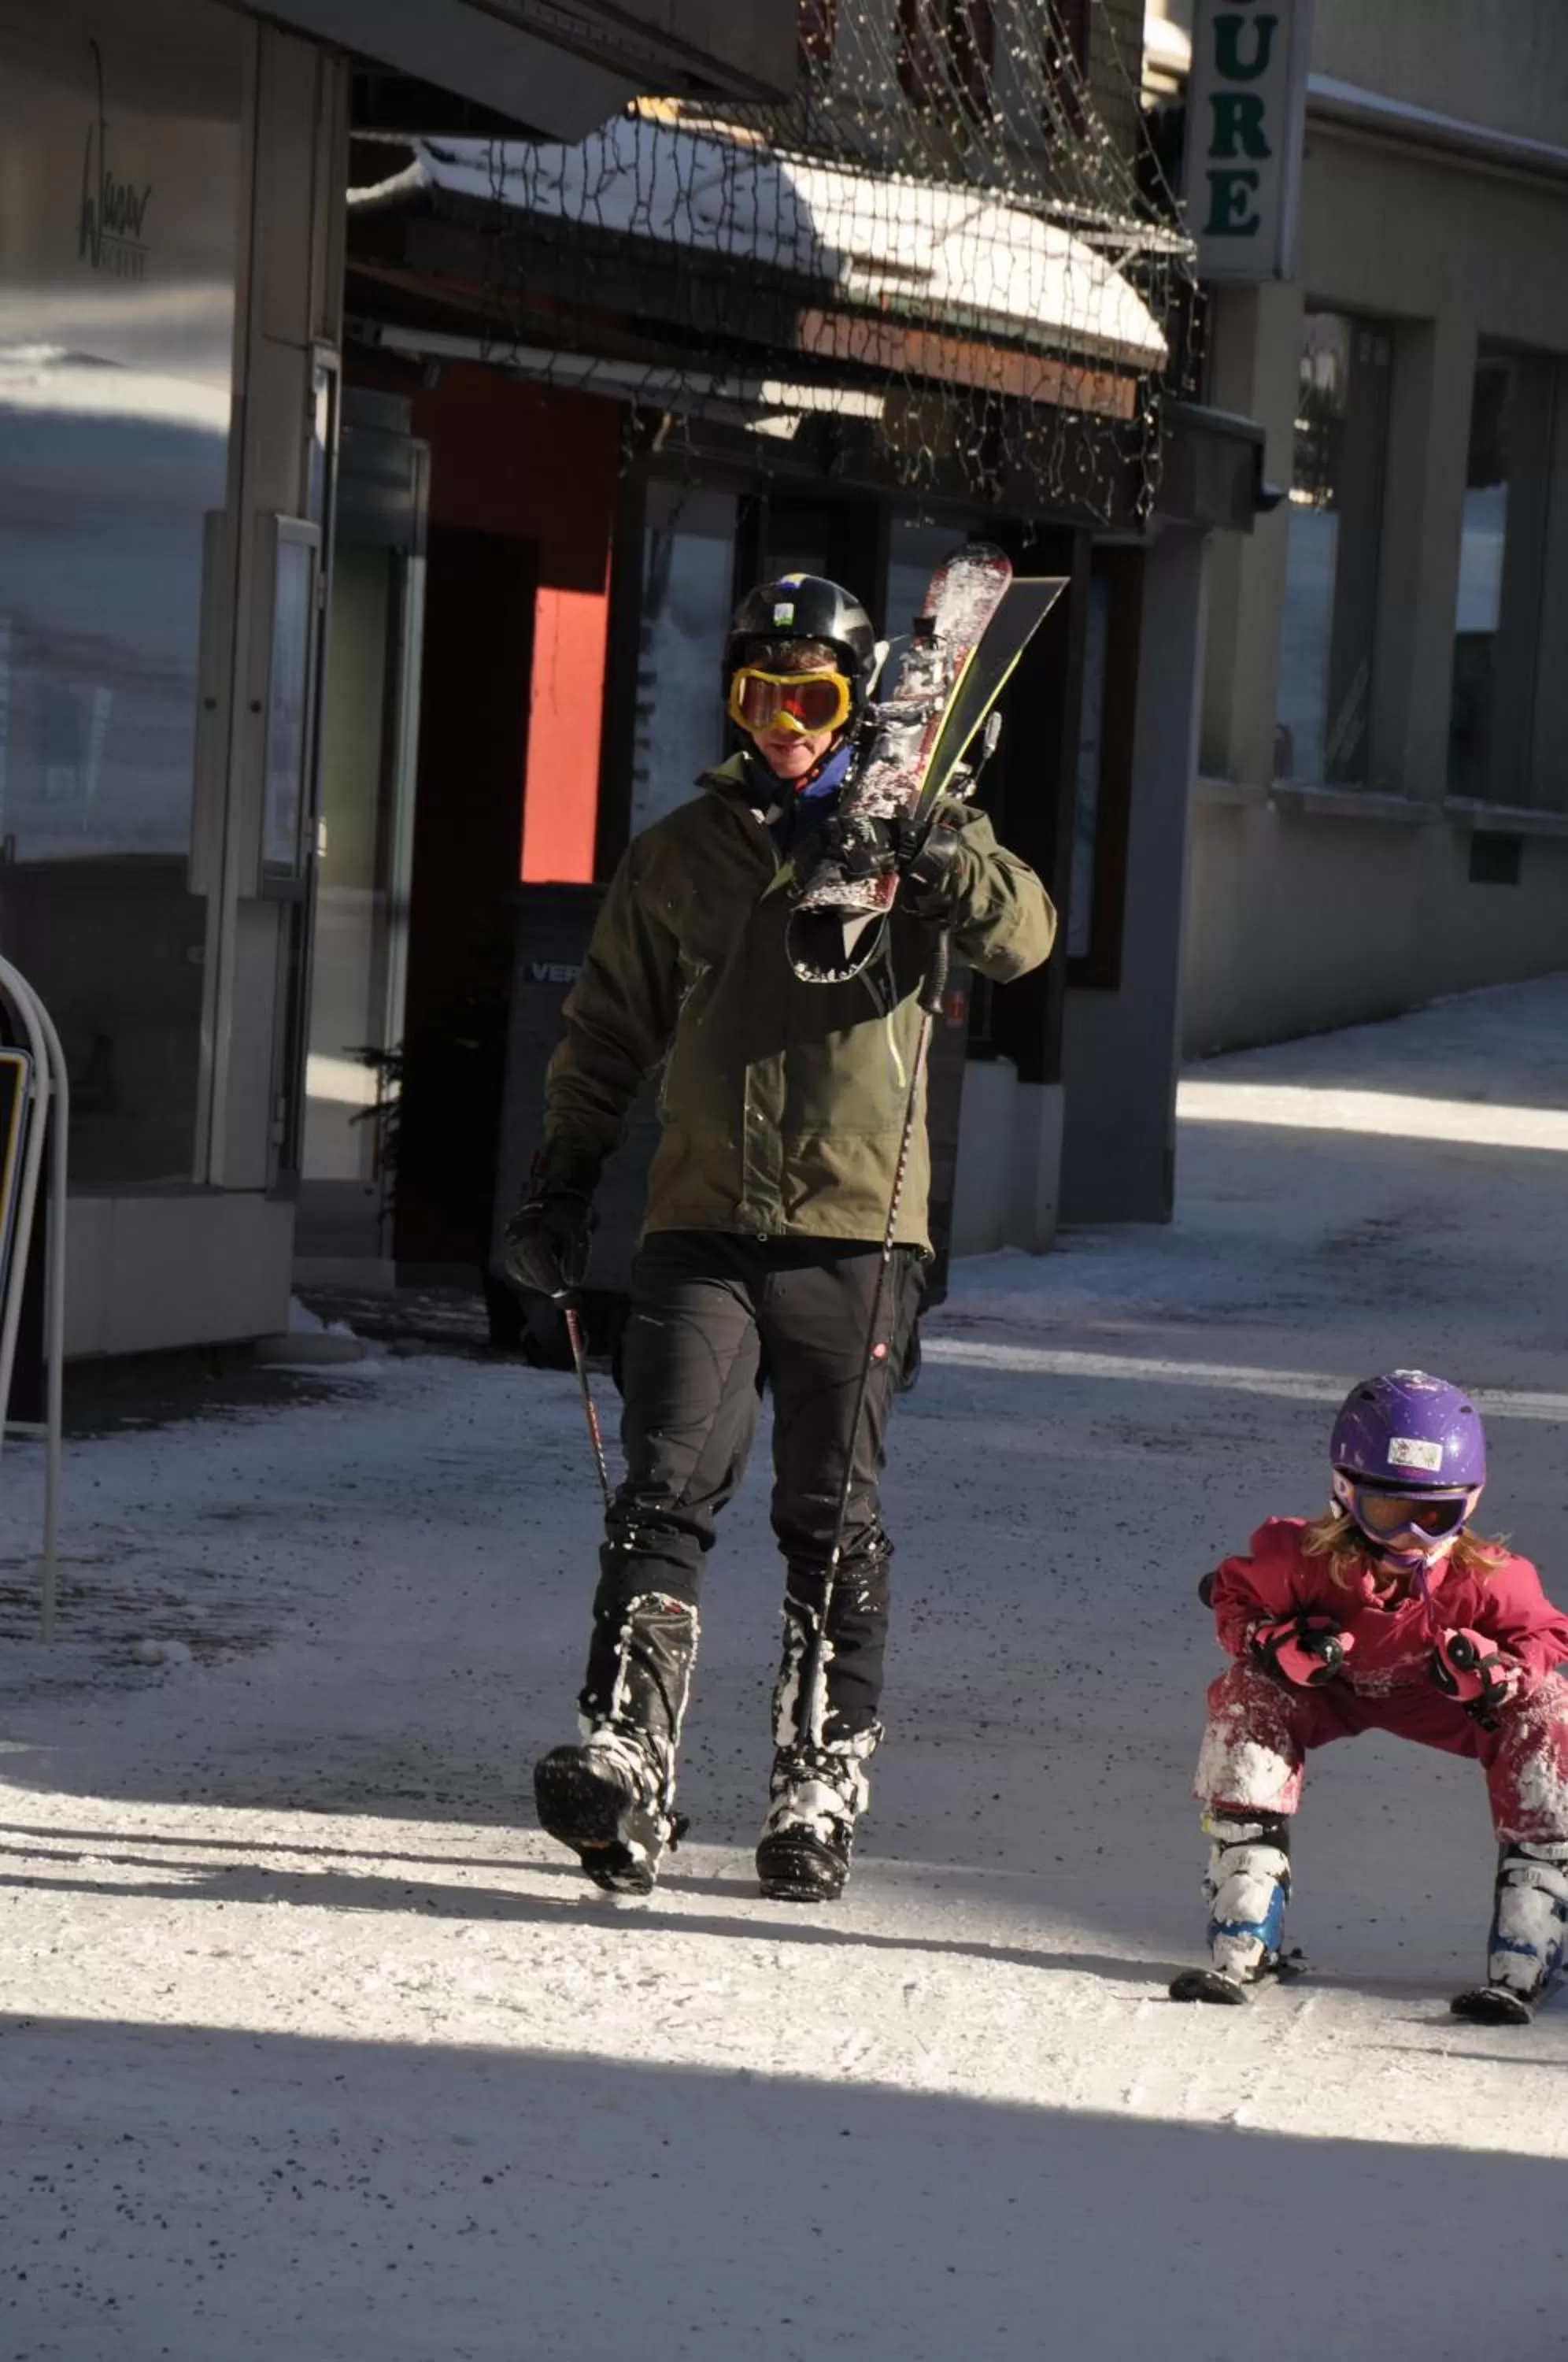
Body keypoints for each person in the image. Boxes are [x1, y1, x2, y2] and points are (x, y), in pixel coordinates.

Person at [502, 571, 1055, 1901]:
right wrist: (564, 1178)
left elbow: (1023, 938)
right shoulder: (683, 852)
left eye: (812, 698)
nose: (786, 724)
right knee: (664, 1485)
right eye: (761, 693)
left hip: (855, 1232)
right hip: (699, 1218)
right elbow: (607, 1031)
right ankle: (628, 1758)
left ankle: (818, 1777)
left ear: (858, 703)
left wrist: (938, 852)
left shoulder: (914, 834)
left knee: (827, 1511)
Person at [1174, 1369, 1568, 2018]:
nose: (1411, 1537)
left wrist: (1500, 1674)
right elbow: (1231, 1596)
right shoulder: (1297, 1558)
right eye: (1388, 1512)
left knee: (1547, 1708)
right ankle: (1244, 1920)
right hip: (1330, 1689)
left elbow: (1548, 1637)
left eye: (1435, 1515)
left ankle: (1532, 1931)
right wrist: (1273, 1645)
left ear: (1469, 1506)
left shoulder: (1489, 1580)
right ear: (1345, 1495)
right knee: (1250, 1697)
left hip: (1445, 1698)